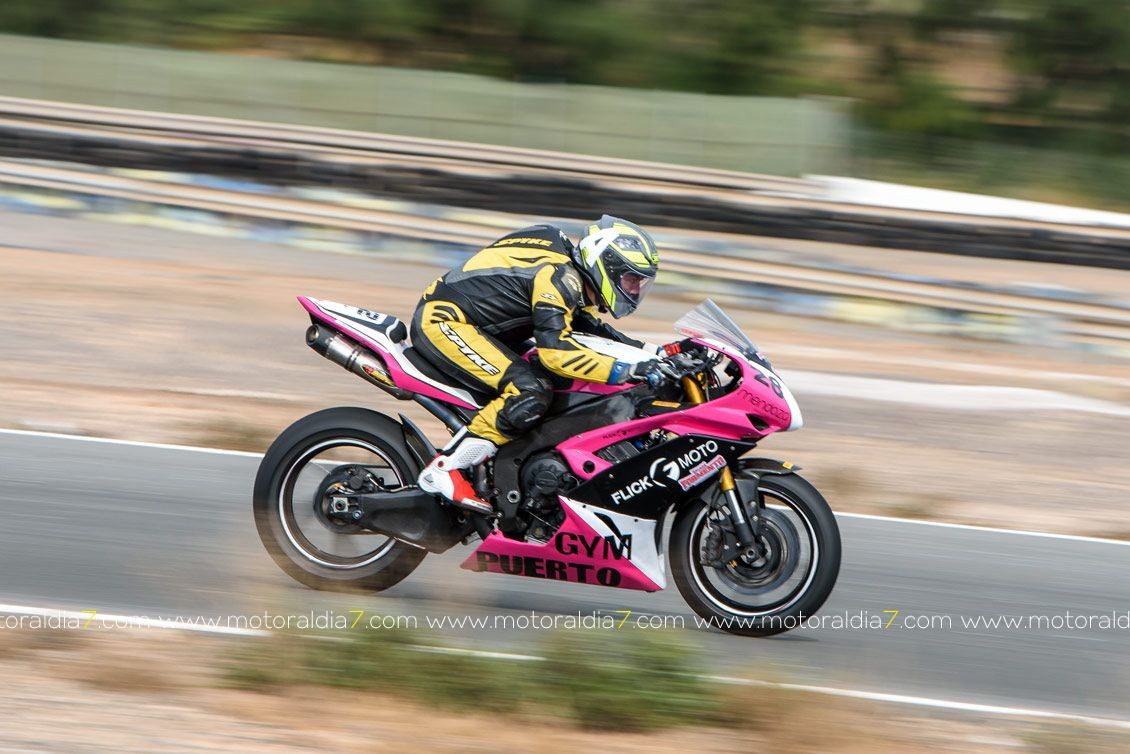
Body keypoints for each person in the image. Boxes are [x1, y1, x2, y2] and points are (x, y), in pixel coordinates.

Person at [412, 214, 667, 514]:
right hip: (445, 321)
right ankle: (446, 467)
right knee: (530, 390)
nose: (634, 290)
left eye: (640, 283)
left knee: (555, 385)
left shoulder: (571, 275)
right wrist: (627, 371)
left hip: (483, 328)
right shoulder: (557, 276)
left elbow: (592, 329)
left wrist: (658, 354)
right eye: (631, 279)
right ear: (605, 265)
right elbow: (556, 353)